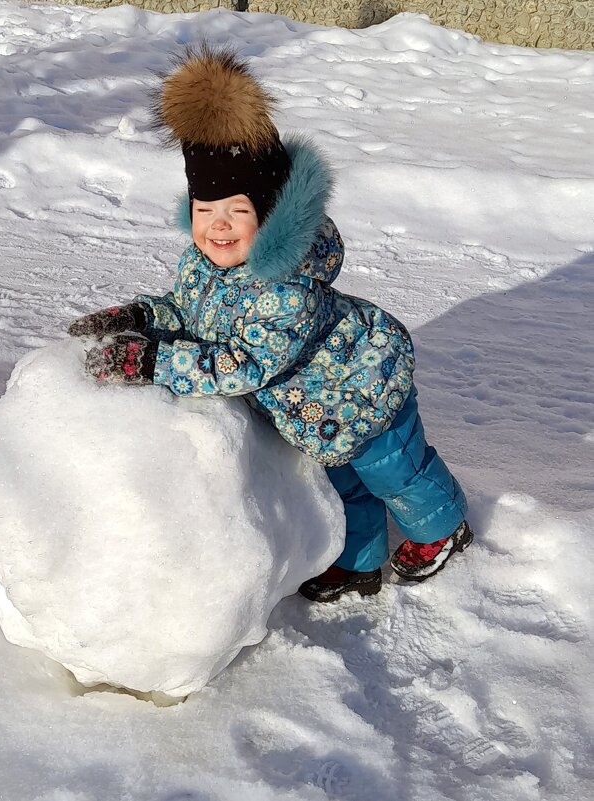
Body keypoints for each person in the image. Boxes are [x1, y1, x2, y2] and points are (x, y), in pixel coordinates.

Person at [68, 45, 473, 602]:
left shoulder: (287, 288)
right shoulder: (205, 264)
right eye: (205, 211)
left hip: (364, 385)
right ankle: (358, 562)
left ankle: (443, 528)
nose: (218, 227)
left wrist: (157, 362)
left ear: (271, 213)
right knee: (344, 481)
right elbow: (191, 312)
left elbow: (244, 362)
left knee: (392, 471)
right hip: (317, 416)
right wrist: (143, 318)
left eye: (236, 211)